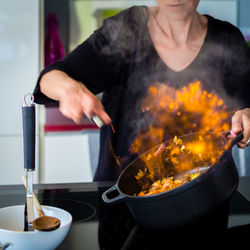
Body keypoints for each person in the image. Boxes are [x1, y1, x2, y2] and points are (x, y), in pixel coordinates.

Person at [34, 0, 250, 181]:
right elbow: (49, 79)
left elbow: (247, 105)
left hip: (206, 195)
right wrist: (70, 89)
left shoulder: (227, 39)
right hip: (122, 202)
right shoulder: (126, 29)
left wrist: (247, 114)